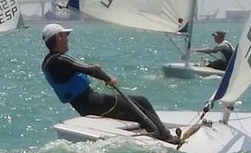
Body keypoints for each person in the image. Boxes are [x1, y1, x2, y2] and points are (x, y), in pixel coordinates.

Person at [40, 22, 180, 144]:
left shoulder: (48, 62)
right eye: (65, 36)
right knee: (138, 104)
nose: (67, 39)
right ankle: (165, 137)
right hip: (91, 103)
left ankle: (154, 133)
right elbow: (91, 69)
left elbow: (81, 68)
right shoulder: (60, 59)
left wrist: (96, 70)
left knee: (138, 105)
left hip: (86, 104)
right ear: (58, 37)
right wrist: (107, 78)